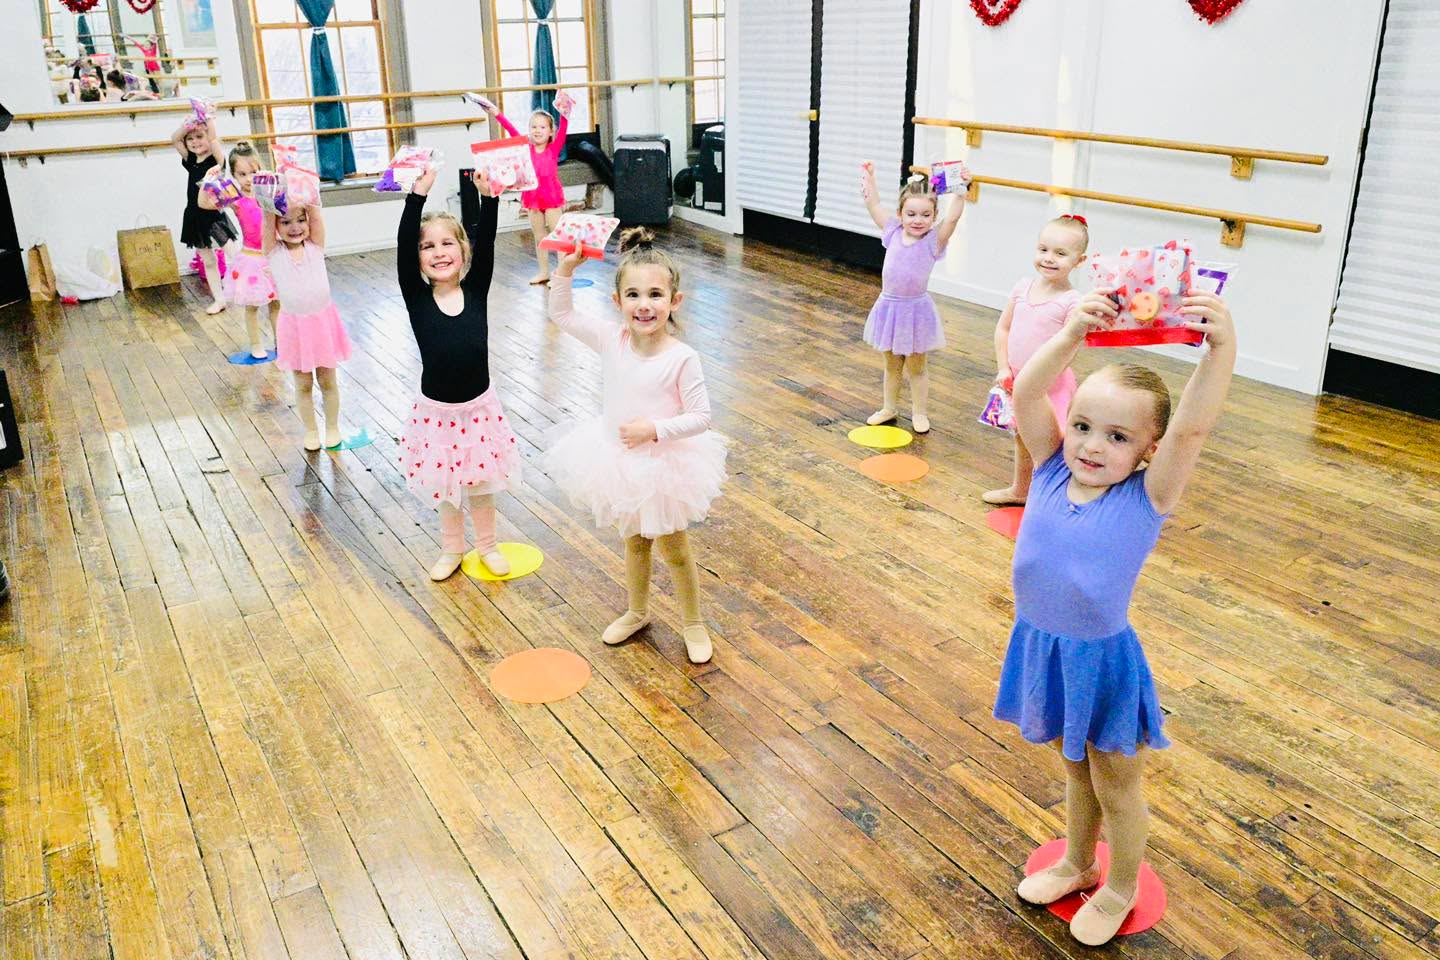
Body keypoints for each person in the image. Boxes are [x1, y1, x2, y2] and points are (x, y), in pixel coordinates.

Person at [993, 285, 1237, 945]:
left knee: (1117, 784)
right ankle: (1078, 862)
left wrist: (1221, 349)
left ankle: (1120, 886)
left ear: (1149, 450)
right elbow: (1026, 392)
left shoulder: (1145, 498)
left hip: (1101, 663)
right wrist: (1071, 334)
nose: (1092, 446)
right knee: (1076, 768)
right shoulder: (1049, 467)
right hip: (1042, 646)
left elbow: (1192, 428)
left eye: (1118, 436)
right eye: (1082, 426)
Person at [544, 228, 728, 664]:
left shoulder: (681, 357)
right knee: (635, 543)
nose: (644, 305)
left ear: (674, 301)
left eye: (655, 295)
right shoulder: (612, 339)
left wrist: (655, 429)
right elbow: (562, 314)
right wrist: (565, 270)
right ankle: (637, 611)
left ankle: (693, 623)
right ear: (617, 301)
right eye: (633, 295)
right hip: (621, 463)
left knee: (675, 550)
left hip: (664, 468)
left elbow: (701, 417)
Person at [395, 166, 523, 580]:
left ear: (463, 251)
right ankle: (452, 549)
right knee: (446, 488)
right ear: (418, 258)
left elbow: (488, 242)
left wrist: (490, 198)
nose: (438, 252)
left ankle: (487, 546)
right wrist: (417, 196)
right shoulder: (417, 296)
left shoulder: (476, 288)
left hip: (479, 410)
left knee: (481, 485)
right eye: (427, 246)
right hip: (438, 415)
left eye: (447, 243)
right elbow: (402, 245)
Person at [984, 214, 1090, 504]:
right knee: (1021, 437)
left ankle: (1056, 496)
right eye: (1043, 249)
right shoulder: (1022, 288)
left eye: (1060, 253)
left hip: (1049, 385)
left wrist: (1039, 380)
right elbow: (1003, 328)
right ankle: (1021, 489)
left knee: (1052, 441)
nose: (1049, 258)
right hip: (1015, 378)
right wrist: (1003, 367)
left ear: (1079, 260)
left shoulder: (1072, 302)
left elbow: (1070, 348)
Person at [858, 165, 966, 434]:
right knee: (892, 365)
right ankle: (889, 408)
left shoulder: (933, 240)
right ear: (900, 214)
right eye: (911, 214)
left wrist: (961, 191)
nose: (918, 220)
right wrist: (870, 178)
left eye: (926, 215)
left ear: (934, 216)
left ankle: (919, 412)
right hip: (890, 309)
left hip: (916, 312)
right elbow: (873, 204)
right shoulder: (893, 231)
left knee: (917, 367)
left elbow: (953, 219)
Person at [260, 199, 351, 451]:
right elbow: (267, 221)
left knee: (328, 381)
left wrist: (307, 193)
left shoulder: (314, 246)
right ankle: (311, 430)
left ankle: (332, 427)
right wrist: (269, 201)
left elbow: (316, 215)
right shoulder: (274, 252)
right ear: (276, 225)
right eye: (286, 222)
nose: (295, 227)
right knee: (303, 384)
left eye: (301, 220)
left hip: (322, 325)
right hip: (295, 329)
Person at [480, 97, 571, 284]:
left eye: (542, 127)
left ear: (551, 132)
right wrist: (496, 113)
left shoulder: (554, 148)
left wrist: (564, 111)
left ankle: (561, 275)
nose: (537, 130)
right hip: (533, 198)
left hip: (552, 198)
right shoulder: (525, 149)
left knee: (558, 237)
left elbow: (564, 127)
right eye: (534, 127)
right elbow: (511, 130)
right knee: (539, 237)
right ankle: (544, 272)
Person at [171, 114, 236, 314]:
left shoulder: (216, 160)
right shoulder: (190, 160)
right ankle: (219, 299)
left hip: (213, 215)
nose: (194, 142)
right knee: (208, 261)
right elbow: (175, 139)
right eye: (190, 139)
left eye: (199, 137)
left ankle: (252, 287)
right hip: (194, 215)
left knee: (234, 254)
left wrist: (206, 118)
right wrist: (189, 124)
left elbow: (213, 139)